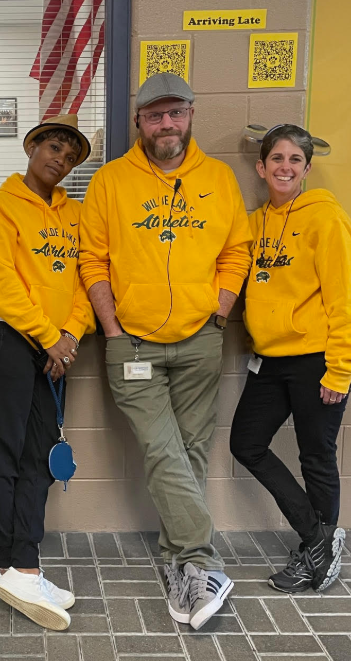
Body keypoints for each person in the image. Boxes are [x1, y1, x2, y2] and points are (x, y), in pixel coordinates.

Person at [79, 72, 253, 630]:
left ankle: (177, 560)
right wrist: (110, 330)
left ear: (191, 116)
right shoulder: (109, 182)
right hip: (131, 342)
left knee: (192, 450)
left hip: (200, 339)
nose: (166, 124)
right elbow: (93, 261)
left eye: (175, 113)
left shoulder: (219, 179)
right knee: (161, 449)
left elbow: (236, 252)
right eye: (155, 115)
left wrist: (218, 315)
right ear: (139, 123)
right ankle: (203, 559)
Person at [0, 114, 95, 631]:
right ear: (31, 148)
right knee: (3, 452)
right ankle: (13, 563)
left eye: (69, 154)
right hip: (1, 338)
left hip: (52, 346)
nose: (59, 158)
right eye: (51, 147)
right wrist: (50, 336)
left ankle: (25, 562)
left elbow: (84, 282)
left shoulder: (74, 216)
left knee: (39, 453)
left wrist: (71, 338)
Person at [230, 124, 351, 594]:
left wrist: (341, 366)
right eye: (277, 159)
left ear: (307, 169)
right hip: (270, 361)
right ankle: (319, 539)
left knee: (316, 457)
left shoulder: (326, 219)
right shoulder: (256, 222)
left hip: (317, 359)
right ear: (261, 166)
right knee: (246, 443)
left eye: (295, 160)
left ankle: (318, 551)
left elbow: (345, 301)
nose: (285, 167)